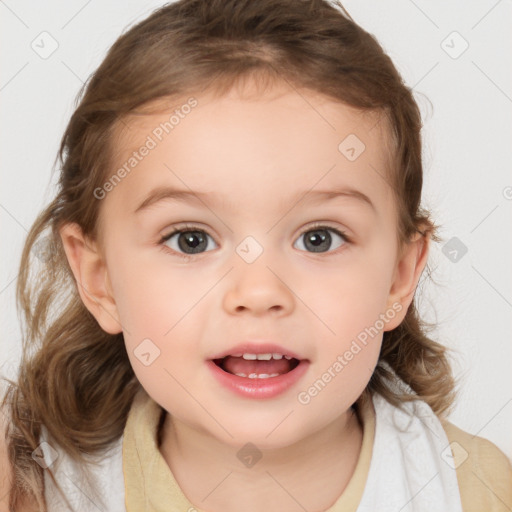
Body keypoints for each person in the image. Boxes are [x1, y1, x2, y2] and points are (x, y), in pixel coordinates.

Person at [1, 0, 511, 510]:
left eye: (319, 238)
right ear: (100, 279)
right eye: (190, 239)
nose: (259, 292)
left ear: (400, 278)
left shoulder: (472, 490)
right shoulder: (38, 491)